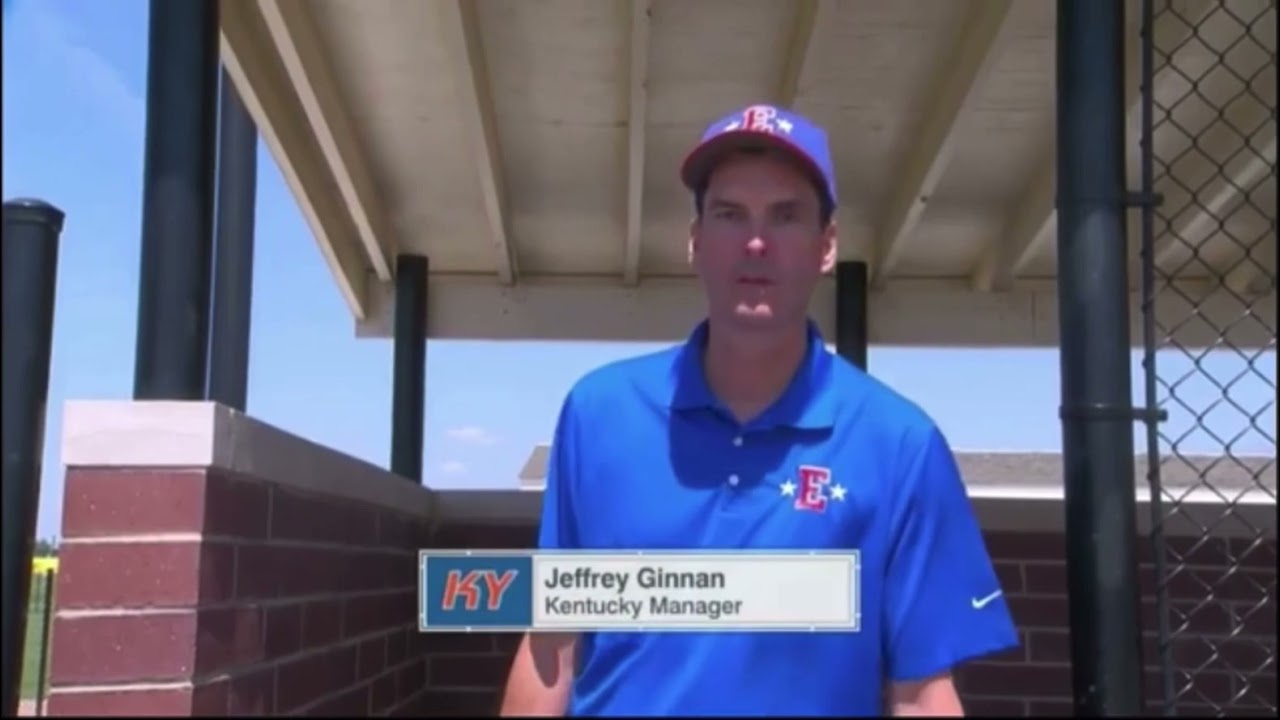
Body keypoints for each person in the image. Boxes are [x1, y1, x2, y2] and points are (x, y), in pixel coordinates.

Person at [499, 104, 1019, 717]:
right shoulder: (598, 412)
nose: (755, 241)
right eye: (728, 214)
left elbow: (923, 694)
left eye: (786, 216)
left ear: (826, 246)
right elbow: (551, 645)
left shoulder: (900, 444)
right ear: (695, 243)